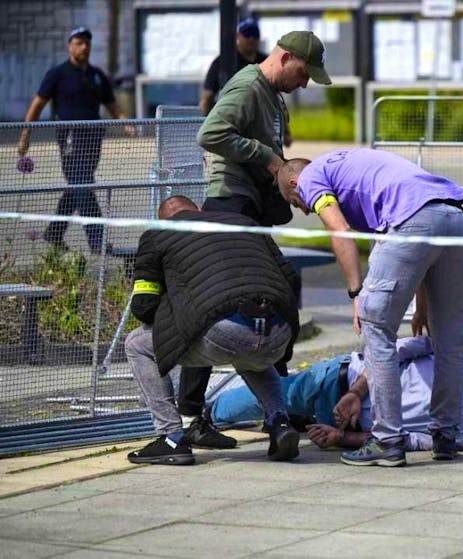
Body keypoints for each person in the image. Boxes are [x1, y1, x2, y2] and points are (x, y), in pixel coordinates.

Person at [176, 29, 331, 452]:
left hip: (251, 206)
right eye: (303, 73)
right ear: (284, 58)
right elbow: (210, 134)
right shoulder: (248, 85)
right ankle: (195, 417)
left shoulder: (271, 95)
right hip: (230, 204)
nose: (304, 83)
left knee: (274, 295)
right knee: (221, 304)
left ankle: (276, 411)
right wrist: (269, 158)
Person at [277, 148, 463, 467]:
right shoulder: (352, 170)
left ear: (295, 183)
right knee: (449, 338)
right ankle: (446, 437)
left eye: (294, 202)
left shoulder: (311, 178)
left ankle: (387, 441)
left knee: (376, 330)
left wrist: (358, 293)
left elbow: (339, 231)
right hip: (451, 215)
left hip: (412, 220)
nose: (303, 210)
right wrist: (422, 304)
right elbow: (419, 249)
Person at [124, 195, 302, 466]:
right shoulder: (243, 223)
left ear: (163, 220)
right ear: (197, 210)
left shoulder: (158, 235)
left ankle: (172, 437)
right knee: (252, 351)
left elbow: (143, 306)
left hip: (226, 330)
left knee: (137, 344)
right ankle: (279, 423)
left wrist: (177, 309)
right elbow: (291, 279)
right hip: (278, 329)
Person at [208, 336, 463, 452]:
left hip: (344, 378)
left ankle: (207, 415)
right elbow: (407, 440)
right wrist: (340, 438)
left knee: (276, 394)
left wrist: (354, 392)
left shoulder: (461, 355)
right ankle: (288, 424)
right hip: (348, 425)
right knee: (289, 407)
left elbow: (393, 351)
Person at [16, 26, 132, 254]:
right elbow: (37, 104)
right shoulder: (57, 74)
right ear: (70, 45)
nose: (84, 47)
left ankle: (54, 233)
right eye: (79, 42)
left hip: (93, 139)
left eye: (87, 43)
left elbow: (111, 104)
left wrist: (124, 121)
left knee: (77, 186)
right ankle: (97, 241)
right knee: (84, 185)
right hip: (70, 138)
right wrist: (25, 136)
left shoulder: (97, 76)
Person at [199, 17, 293, 148]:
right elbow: (206, 98)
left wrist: (286, 132)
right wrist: (207, 125)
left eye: (255, 34)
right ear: (238, 36)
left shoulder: (265, 62)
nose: (251, 38)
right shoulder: (223, 62)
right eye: (247, 34)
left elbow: (277, 100)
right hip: (233, 123)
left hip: (261, 126)